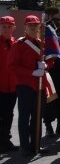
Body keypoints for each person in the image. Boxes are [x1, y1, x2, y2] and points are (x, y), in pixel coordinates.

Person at [8, 15, 49, 156]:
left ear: (39, 27)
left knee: (38, 117)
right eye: (30, 25)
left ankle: (36, 144)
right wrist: (32, 72)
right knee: (25, 117)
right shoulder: (19, 44)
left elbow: (49, 62)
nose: (33, 27)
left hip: (40, 85)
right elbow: (12, 66)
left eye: (36, 25)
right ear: (25, 27)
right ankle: (24, 146)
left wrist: (46, 65)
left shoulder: (42, 43)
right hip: (25, 85)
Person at [0, 15, 18, 153]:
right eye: (4, 26)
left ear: (14, 28)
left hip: (12, 86)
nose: (6, 29)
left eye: (9, 26)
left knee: (8, 114)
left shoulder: (16, 43)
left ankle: (5, 140)